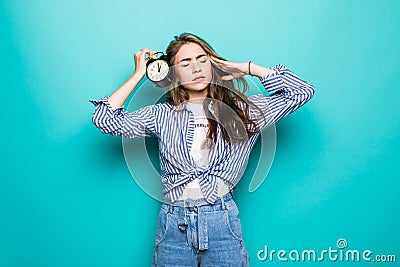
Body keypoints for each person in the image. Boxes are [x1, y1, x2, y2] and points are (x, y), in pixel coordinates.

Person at [89, 33, 315, 267]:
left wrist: (246, 68)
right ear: (172, 72)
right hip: (173, 224)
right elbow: (105, 119)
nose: (196, 67)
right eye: (185, 63)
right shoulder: (162, 116)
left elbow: (301, 91)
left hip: (222, 221)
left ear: (213, 64)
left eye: (202, 59)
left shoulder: (245, 111)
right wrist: (139, 74)